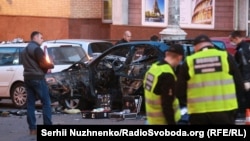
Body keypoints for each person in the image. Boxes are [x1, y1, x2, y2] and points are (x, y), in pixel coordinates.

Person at [175, 34, 244, 125]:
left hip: (198, 113)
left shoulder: (189, 61)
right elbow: (239, 84)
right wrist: (236, 106)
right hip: (225, 110)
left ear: (195, 47)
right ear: (211, 44)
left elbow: (180, 91)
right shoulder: (225, 57)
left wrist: (189, 104)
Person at [21, 31, 54, 135]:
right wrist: (51, 65)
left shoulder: (24, 50)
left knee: (30, 103)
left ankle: (32, 129)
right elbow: (44, 63)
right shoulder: (36, 49)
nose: (42, 39)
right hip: (38, 78)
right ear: (35, 38)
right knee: (46, 103)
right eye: (41, 37)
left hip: (27, 78)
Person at [143, 44, 184, 125]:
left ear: (166, 54)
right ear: (179, 57)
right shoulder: (167, 75)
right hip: (163, 121)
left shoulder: (154, 68)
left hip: (151, 120)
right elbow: (167, 105)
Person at [229, 30, 250, 118]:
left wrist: (246, 80)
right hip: (246, 76)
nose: (231, 42)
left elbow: (244, 64)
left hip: (244, 78)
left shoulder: (241, 49)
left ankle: (243, 114)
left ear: (236, 38)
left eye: (231, 40)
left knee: (244, 97)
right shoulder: (246, 46)